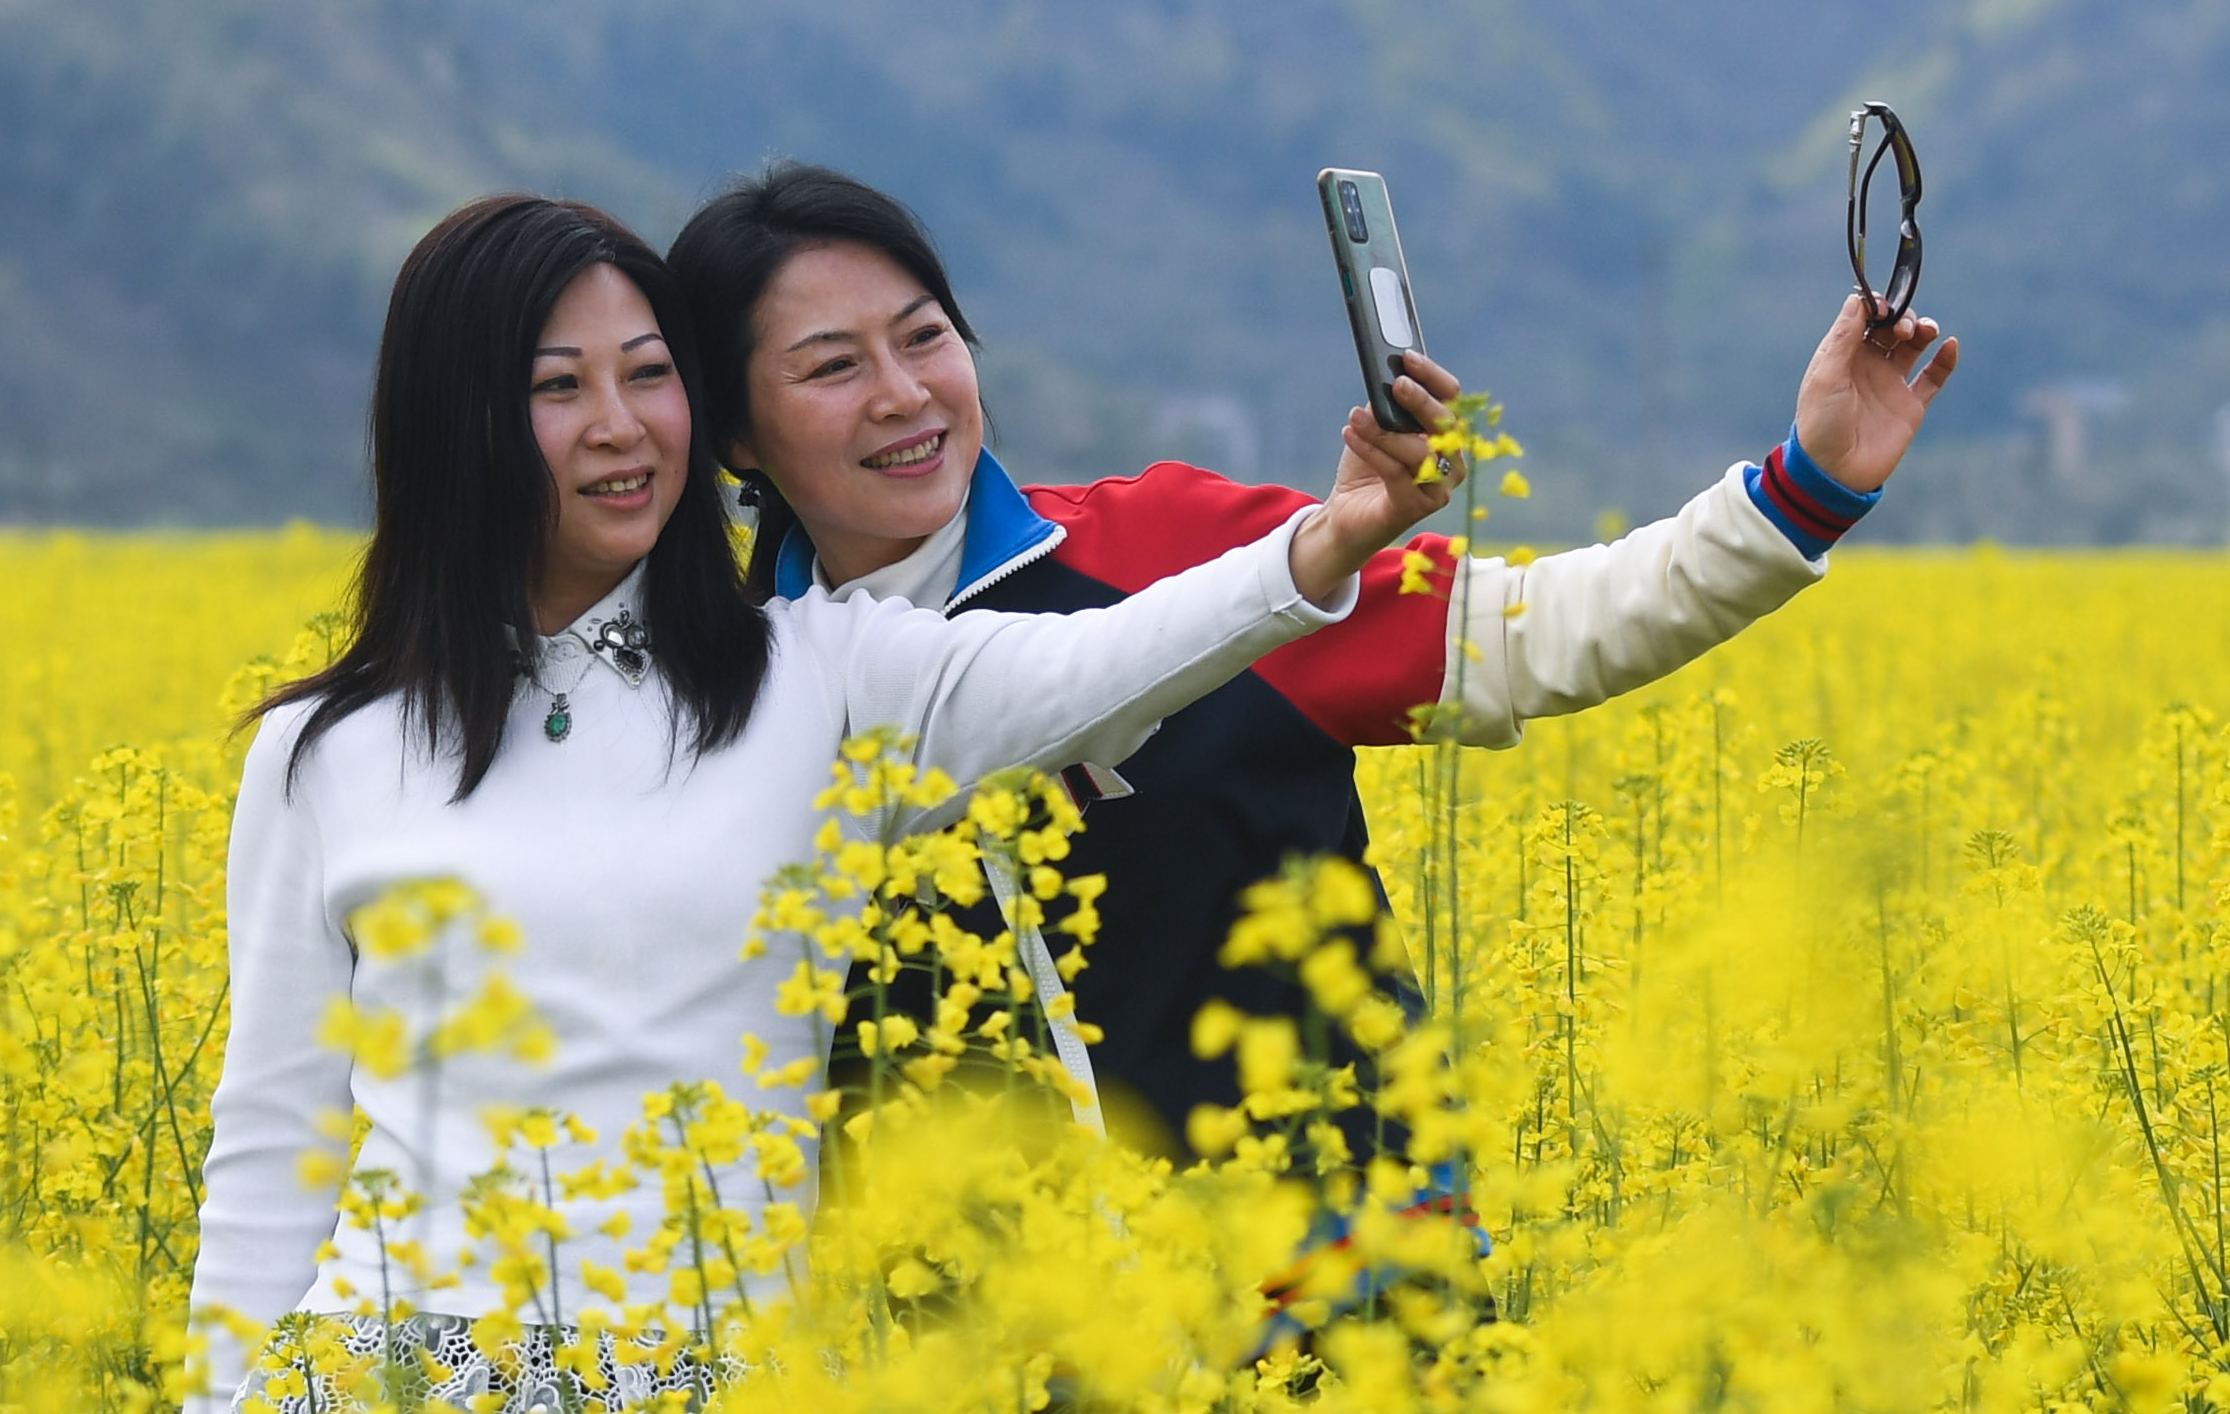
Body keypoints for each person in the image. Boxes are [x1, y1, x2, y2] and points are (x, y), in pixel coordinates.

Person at [178, 190, 1458, 1414]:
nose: (620, 425)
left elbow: (1100, 663)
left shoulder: (817, 673)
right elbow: (273, 1148)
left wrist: (1329, 540)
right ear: (456, 422)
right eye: (559, 388)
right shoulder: (325, 751)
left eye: (649, 375)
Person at [666, 163, 1958, 1161]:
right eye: (832, 367)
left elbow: (1537, 635)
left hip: (1334, 1304)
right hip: (977, 1377)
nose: (903, 394)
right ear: (733, 434)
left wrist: (1806, 487)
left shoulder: (1172, 551)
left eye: (924, 337)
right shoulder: (711, 706)